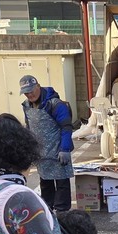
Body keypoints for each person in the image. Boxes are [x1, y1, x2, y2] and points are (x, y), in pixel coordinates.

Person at [20, 74, 74, 213]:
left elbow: (66, 127)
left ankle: (63, 213)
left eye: (31, 91)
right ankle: (47, 210)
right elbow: (29, 127)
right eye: (26, 92)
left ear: (38, 86)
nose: (29, 95)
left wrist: (65, 148)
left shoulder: (55, 104)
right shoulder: (26, 105)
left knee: (62, 182)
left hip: (58, 151)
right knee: (45, 182)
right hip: (41, 152)